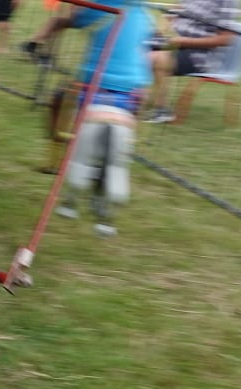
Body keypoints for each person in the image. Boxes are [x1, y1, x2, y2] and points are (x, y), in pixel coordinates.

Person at [43, 0, 154, 236]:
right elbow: (150, 42)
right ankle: (106, 217)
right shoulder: (145, 14)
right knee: (117, 161)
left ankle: (69, 197)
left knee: (63, 113)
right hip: (131, 91)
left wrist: (51, 30)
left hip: (94, 86)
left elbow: (73, 20)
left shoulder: (99, 7)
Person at [145, 0, 241, 123]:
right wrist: (160, 31)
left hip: (202, 55)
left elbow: (225, 39)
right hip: (175, 42)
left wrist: (183, 41)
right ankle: (132, 96)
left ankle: (162, 110)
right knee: (133, 46)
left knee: (156, 58)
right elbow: (175, 9)